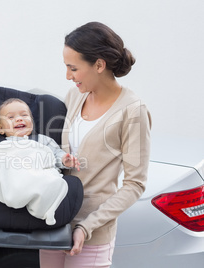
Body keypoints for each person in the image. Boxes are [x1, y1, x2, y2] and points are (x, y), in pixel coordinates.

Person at [39, 22, 151, 267]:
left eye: (73, 68)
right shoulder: (75, 96)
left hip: (92, 234)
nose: (68, 76)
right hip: (54, 226)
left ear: (99, 65)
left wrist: (86, 227)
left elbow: (134, 184)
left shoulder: (133, 111)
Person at [0, 98, 80, 225]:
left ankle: (38, 197)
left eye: (24, 115)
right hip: (10, 177)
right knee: (0, 165)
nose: (19, 119)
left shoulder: (43, 141)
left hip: (37, 174)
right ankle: (17, 193)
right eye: (11, 117)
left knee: (53, 179)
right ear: (1, 129)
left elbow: (55, 156)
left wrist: (65, 160)